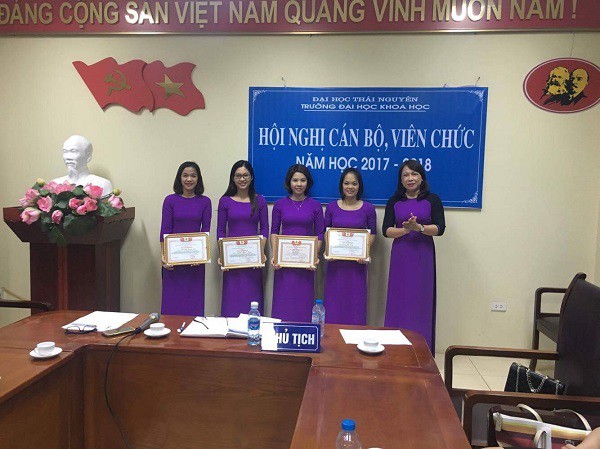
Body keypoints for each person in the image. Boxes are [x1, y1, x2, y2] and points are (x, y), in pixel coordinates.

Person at [382, 160, 445, 352]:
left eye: (414, 174)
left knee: (420, 300)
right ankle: (395, 349)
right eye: (405, 175)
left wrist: (419, 228)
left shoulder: (433, 199)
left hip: (423, 256)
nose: (410, 178)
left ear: (421, 177)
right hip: (401, 256)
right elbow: (386, 230)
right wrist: (405, 230)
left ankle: (421, 349)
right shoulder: (394, 201)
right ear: (401, 180)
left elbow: (440, 228)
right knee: (399, 299)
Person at [270, 164, 324, 322]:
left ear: (308, 182)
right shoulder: (279, 205)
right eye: (295, 180)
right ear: (289, 182)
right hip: (284, 264)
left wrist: (314, 256)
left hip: (305, 265)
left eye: (302, 180)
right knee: (284, 301)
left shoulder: (315, 205)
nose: (299, 184)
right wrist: (275, 255)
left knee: (303, 303)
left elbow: (320, 234)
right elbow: (274, 231)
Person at [324, 168, 376, 325]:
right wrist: (329, 251)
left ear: (359, 186)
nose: (350, 187)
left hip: (357, 266)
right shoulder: (331, 207)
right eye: (347, 183)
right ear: (341, 185)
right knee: (334, 303)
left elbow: (372, 233)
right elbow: (326, 232)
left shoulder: (368, 208)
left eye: (354, 183)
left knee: (355, 304)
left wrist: (364, 252)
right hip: (335, 265)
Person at [217, 160, 269, 316]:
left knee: (252, 300)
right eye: (238, 176)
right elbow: (220, 230)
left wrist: (260, 252)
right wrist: (222, 254)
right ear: (233, 178)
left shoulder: (260, 200)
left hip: (253, 260)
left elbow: (264, 229)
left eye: (246, 175)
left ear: (251, 177)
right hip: (232, 260)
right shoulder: (225, 201)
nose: (242, 179)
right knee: (232, 299)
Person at [160, 161, 212, 316]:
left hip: (195, 263)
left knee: (193, 305)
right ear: (180, 178)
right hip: (173, 263)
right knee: (172, 305)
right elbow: (165, 230)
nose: (189, 179)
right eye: (185, 175)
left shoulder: (205, 202)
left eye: (193, 176)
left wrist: (201, 257)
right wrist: (164, 257)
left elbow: (206, 231)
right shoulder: (170, 200)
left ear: (198, 179)